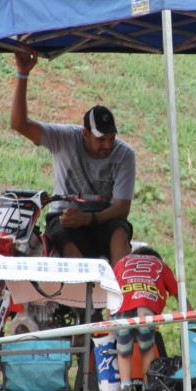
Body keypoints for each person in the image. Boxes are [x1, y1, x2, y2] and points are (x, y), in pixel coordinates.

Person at [10, 49, 135, 266]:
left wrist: (90, 218)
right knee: (69, 247)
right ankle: (75, 299)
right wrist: (23, 75)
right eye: (101, 139)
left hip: (102, 219)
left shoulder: (124, 154)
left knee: (120, 234)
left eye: (111, 138)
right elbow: (19, 124)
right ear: (85, 133)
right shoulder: (65, 138)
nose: (107, 145)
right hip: (64, 217)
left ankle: (124, 295)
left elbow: (122, 209)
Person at [111, 246, 192, 391]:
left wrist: (109, 320)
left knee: (123, 350)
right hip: (146, 305)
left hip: (121, 305)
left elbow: (110, 287)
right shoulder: (161, 265)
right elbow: (179, 293)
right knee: (147, 348)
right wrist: (193, 316)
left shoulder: (122, 262)